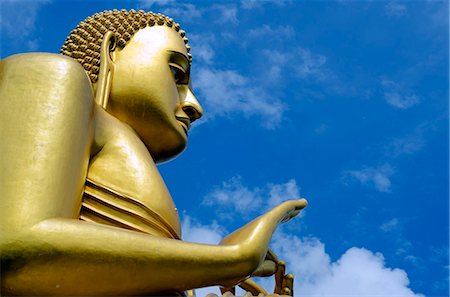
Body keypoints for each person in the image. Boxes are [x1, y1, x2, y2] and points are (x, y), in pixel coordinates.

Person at [0, 9, 307, 296]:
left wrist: (209, 275)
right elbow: (17, 244)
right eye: (176, 75)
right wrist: (232, 260)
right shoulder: (52, 75)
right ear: (111, 51)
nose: (193, 106)